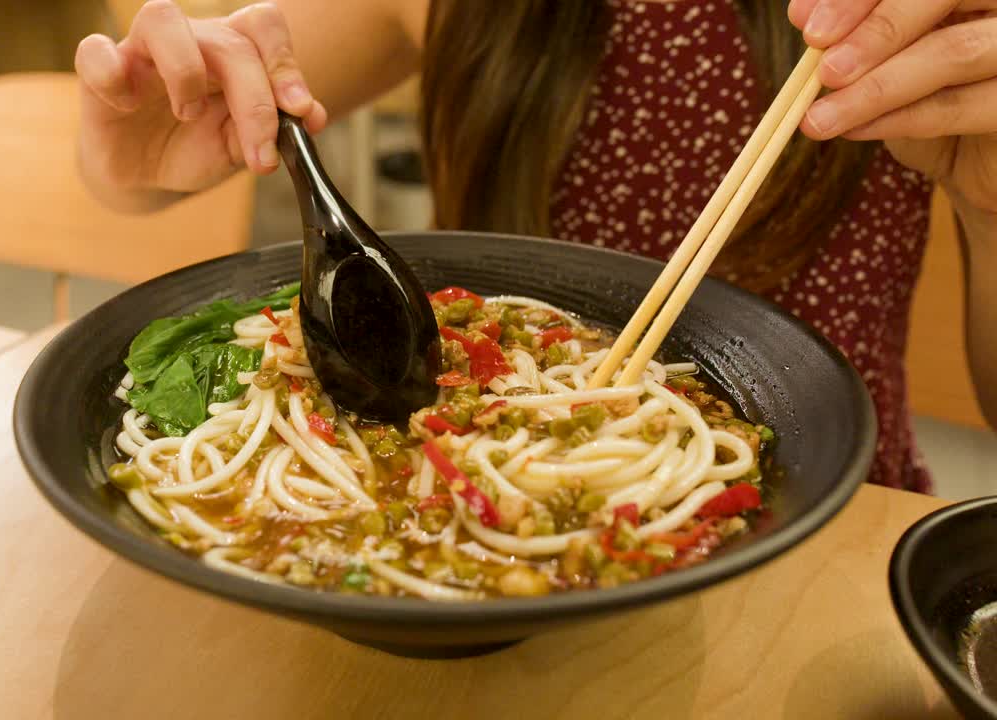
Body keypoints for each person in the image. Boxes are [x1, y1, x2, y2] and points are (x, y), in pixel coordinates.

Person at [73, 0, 997, 493]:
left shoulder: (899, 18)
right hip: (463, 573)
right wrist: (140, 141)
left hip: (839, 529)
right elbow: (168, 133)